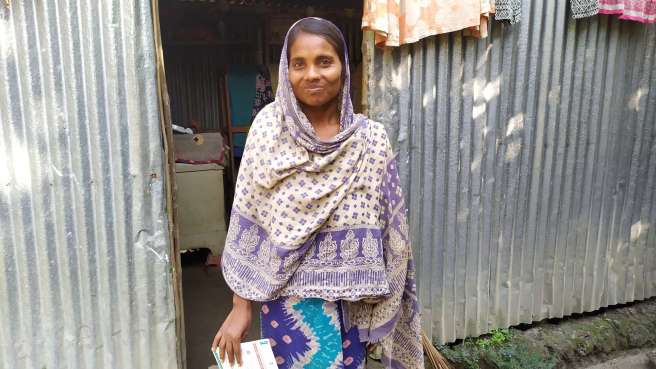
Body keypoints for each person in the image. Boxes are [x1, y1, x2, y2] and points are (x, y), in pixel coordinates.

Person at [211, 17, 423, 369]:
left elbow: (393, 233)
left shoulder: (370, 140)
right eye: (299, 64)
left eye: (324, 61)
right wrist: (239, 306)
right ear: (285, 70)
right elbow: (250, 221)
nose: (312, 74)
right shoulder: (268, 131)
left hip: (351, 303)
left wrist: (382, 307)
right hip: (286, 304)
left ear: (343, 66)